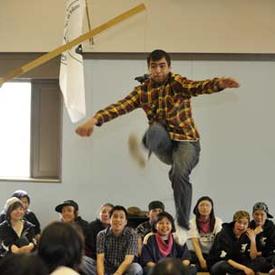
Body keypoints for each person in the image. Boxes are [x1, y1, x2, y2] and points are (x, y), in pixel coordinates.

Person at [75, 49, 240, 243]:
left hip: (187, 143)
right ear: (149, 68)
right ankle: (145, 147)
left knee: (178, 174)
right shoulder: (143, 91)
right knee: (155, 129)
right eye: (154, 67)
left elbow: (196, 87)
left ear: (169, 67)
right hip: (165, 146)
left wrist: (218, 83)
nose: (158, 71)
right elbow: (120, 106)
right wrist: (94, 120)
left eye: (162, 66)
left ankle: (182, 224)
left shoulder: (177, 83)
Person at [208, 210, 266, 275]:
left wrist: (253, 240)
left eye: (245, 223)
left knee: (261, 260)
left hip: (238, 264)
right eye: (239, 222)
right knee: (223, 265)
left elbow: (253, 257)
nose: (241, 226)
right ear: (234, 222)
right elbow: (227, 259)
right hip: (220, 263)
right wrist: (245, 268)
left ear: (248, 225)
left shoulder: (247, 234)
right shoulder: (223, 235)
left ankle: (241, 273)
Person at [96, 205, 142, 275]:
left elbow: (128, 259)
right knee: (84, 261)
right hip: (106, 268)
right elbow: (100, 259)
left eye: (121, 217)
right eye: (115, 216)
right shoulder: (101, 234)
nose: (118, 219)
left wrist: (117, 273)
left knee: (136, 268)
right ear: (110, 220)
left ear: (126, 222)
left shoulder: (132, 234)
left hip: (124, 270)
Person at [187, 196, 222, 271]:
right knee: (188, 260)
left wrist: (210, 259)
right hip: (197, 254)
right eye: (202, 205)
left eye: (207, 205)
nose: (205, 208)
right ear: (197, 207)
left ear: (211, 208)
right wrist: (202, 260)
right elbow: (195, 243)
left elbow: (218, 242)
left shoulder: (218, 221)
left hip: (212, 253)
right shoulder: (192, 222)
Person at [249, 202, 275, 273]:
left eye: (262, 214)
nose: (259, 217)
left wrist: (260, 253)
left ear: (266, 216)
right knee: (259, 261)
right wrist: (254, 233)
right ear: (252, 215)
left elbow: (272, 247)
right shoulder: (248, 227)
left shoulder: (271, 227)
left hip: (269, 256)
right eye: (256, 214)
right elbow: (245, 245)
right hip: (253, 258)